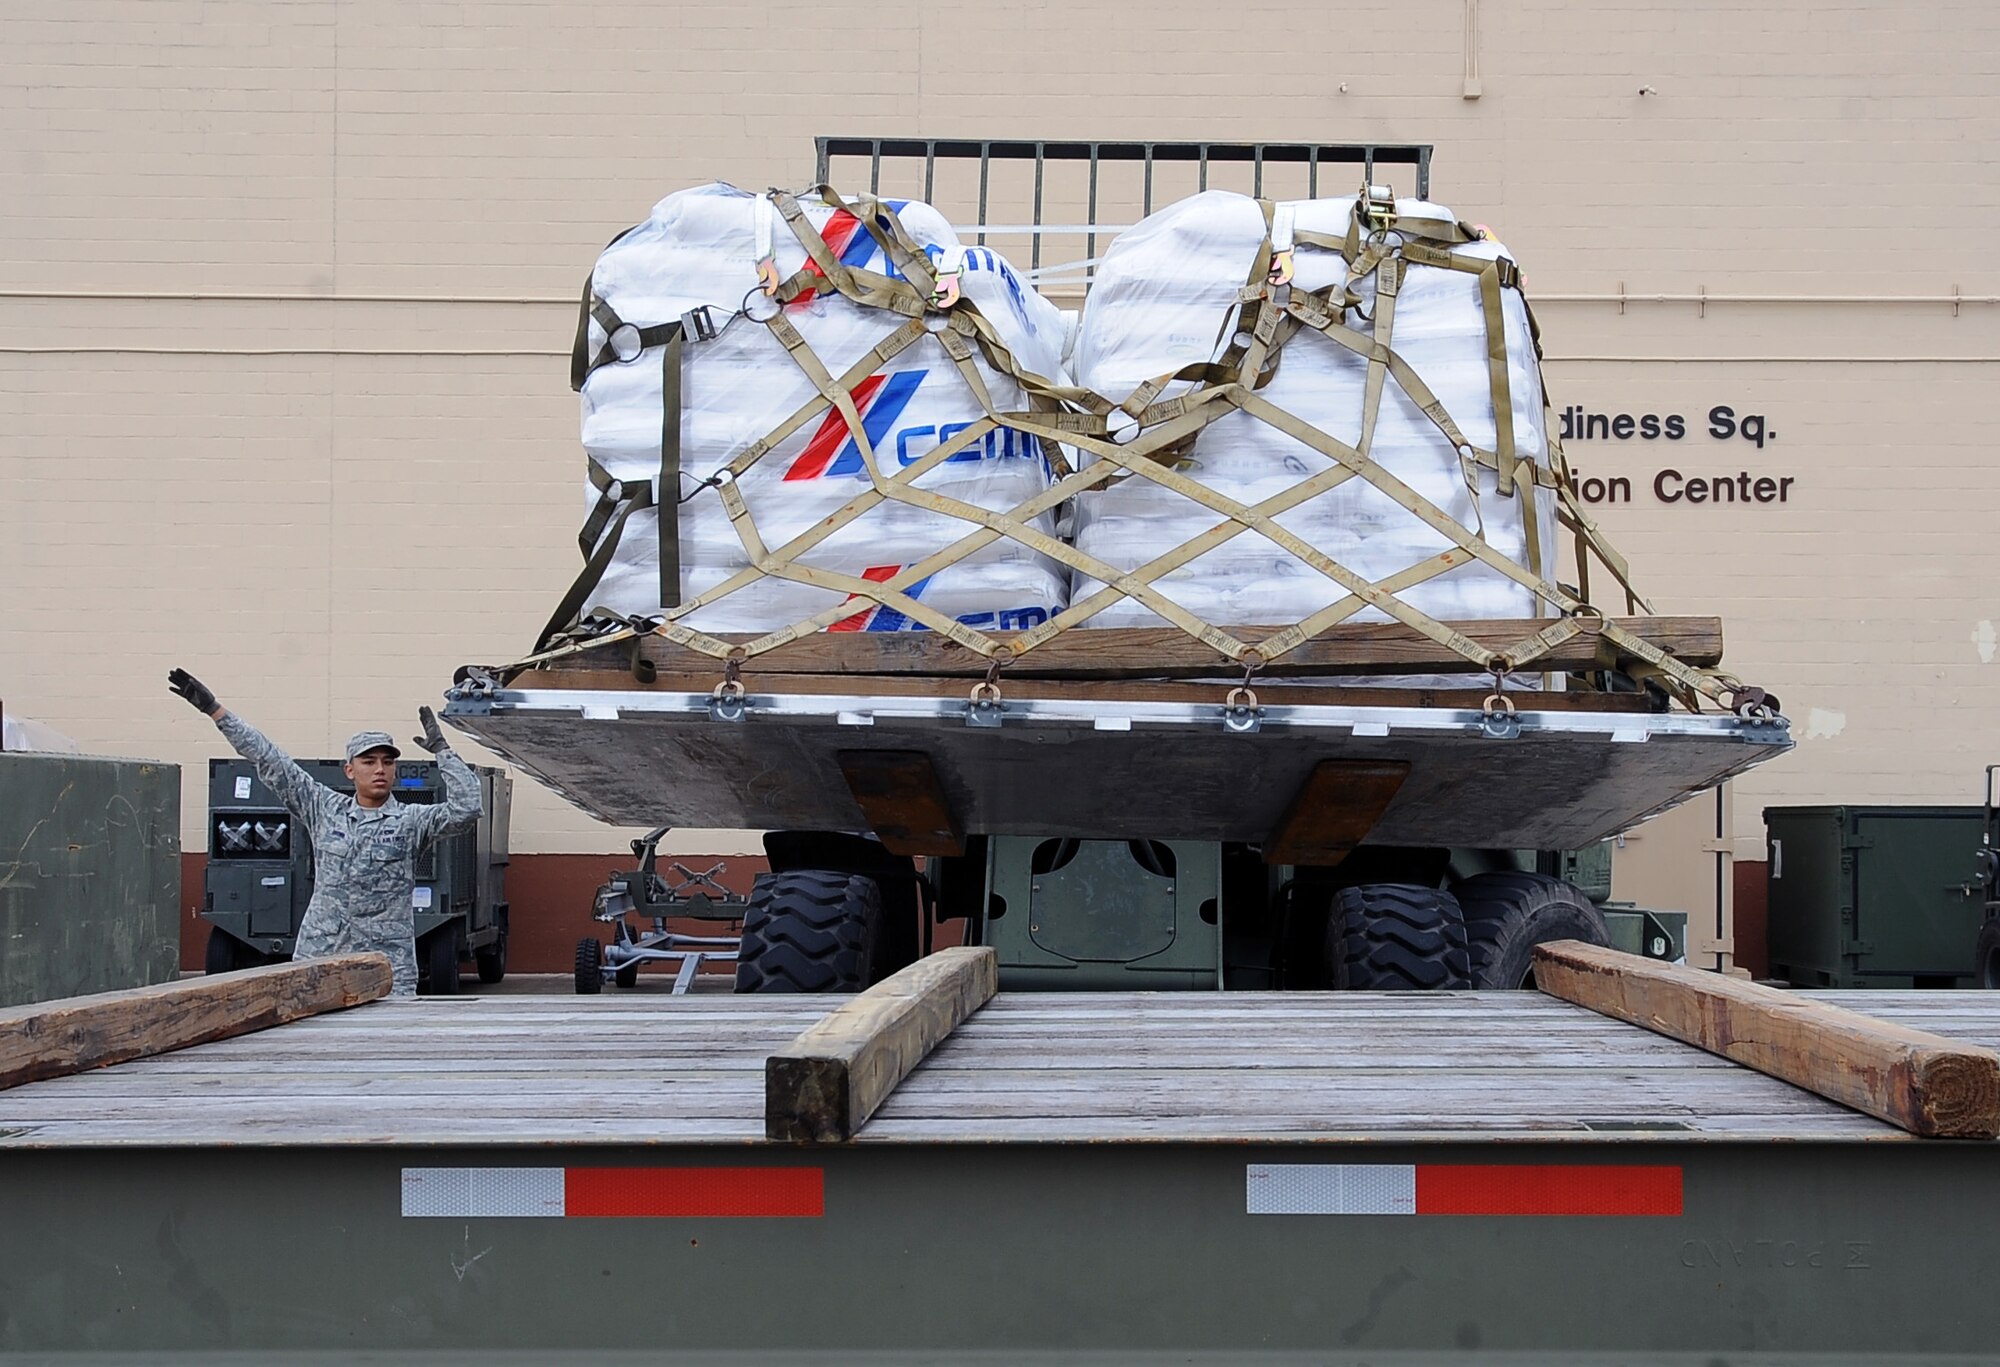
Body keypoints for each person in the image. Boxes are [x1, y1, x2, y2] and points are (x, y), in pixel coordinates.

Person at [168, 668, 482, 996]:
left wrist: (443, 751)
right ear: (350, 770)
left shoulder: (411, 821)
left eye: (387, 763)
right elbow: (270, 760)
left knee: (386, 1046)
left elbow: (468, 808)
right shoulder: (324, 808)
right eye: (369, 761)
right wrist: (216, 711)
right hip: (322, 956)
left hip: (388, 965)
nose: (379, 769)